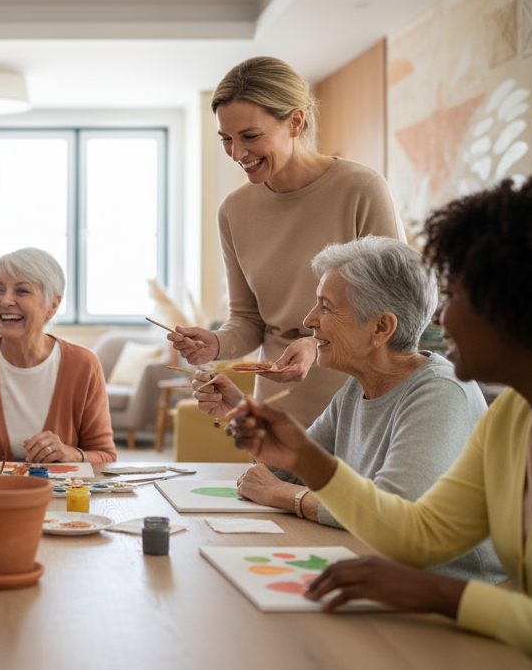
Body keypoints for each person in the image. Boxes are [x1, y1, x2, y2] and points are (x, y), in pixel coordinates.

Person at [227, 171, 532, 670]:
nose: (439, 315)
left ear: (525, 311)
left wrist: (446, 596)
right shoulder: (514, 419)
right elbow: (421, 533)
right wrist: (306, 458)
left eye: (456, 294)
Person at [193, 236, 504, 582]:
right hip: (382, 572)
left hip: (451, 588)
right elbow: (286, 470)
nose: (309, 320)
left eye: (326, 307)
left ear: (381, 327)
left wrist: (287, 497)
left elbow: (390, 518)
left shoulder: (441, 392)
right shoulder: (358, 387)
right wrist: (243, 413)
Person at [168, 56, 404, 427]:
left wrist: (316, 343)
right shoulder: (234, 211)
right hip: (277, 410)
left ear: (295, 122)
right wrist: (215, 344)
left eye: (250, 136)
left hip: (360, 404)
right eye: (226, 139)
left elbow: (397, 308)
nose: (237, 154)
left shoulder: (362, 189)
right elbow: (249, 319)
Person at [0, 247, 115, 464]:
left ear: (53, 305)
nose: (5, 301)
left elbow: (105, 457)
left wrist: (71, 454)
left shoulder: (84, 364)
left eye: (21, 291)